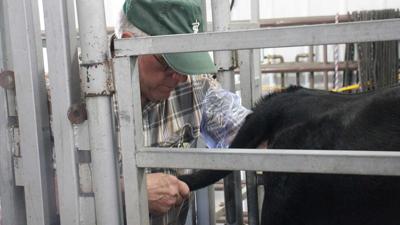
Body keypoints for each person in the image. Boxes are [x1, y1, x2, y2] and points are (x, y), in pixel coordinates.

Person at [113, 0, 250, 224]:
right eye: (169, 63)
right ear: (129, 45)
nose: (180, 77)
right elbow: (42, 188)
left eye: (186, 63)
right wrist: (128, 190)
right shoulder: (70, 101)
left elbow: (246, 131)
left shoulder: (194, 87)